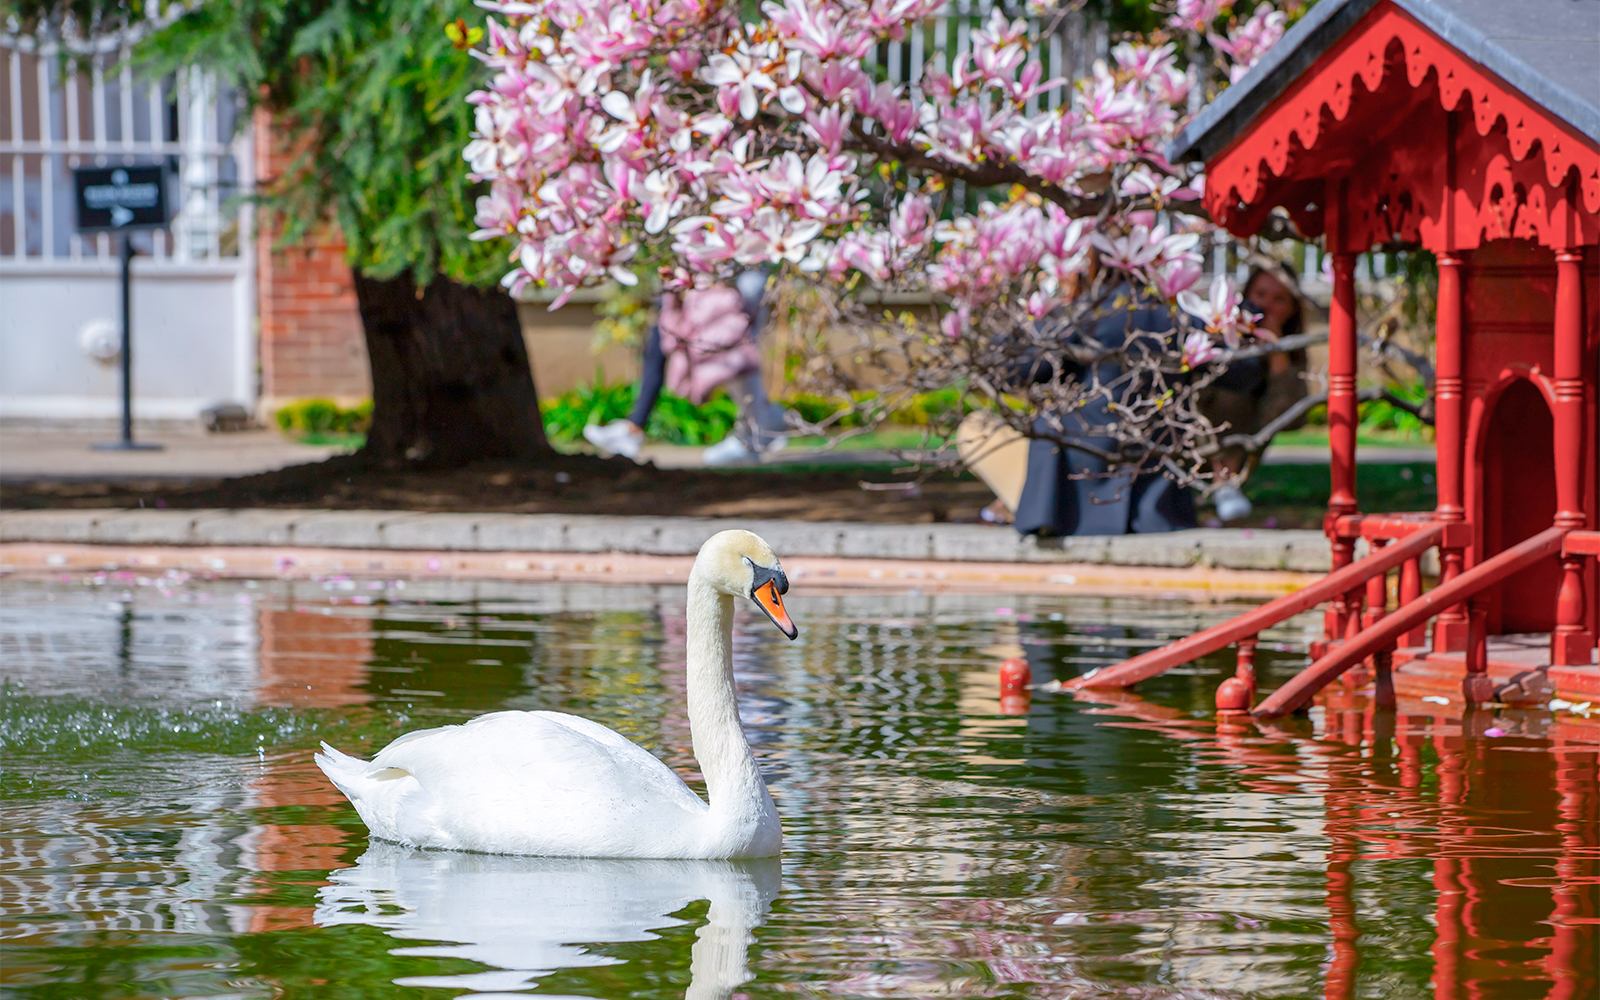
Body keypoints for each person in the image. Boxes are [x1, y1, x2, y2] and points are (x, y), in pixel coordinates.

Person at [957, 287, 1268, 537]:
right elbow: (1246, 373)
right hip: (1154, 498)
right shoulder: (1182, 319)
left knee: (975, 428)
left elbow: (1010, 372)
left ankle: (1026, 505)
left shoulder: (1080, 316)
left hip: (1073, 494)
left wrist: (1029, 321)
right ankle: (1020, 504)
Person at [584, 269, 790, 465]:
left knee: (737, 352)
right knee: (669, 339)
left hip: (725, 281)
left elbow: (751, 290)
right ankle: (760, 427)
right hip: (708, 278)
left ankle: (757, 431)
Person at [1200, 263, 1309, 521]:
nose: (1267, 306)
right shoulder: (1218, 333)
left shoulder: (1291, 349)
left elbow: (1293, 417)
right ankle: (1223, 482)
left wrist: (1275, 349)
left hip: (1248, 436)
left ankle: (1227, 484)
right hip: (1201, 431)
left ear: (1293, 308)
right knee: (1233, 389)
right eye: (1260, 295)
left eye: (1279, 299)